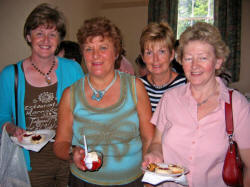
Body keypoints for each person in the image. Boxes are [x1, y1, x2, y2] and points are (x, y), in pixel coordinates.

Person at [142, 22, 250, 187]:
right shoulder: (170, 98)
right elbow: (156, 142)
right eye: (188, 58)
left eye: (203, 57)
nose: (194, 66)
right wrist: (155, 154)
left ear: (218, 61)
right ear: (181, 61)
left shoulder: (237, 105)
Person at [53, 16, 154, 186]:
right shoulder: (70, 94)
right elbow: (60, 143)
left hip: (132, 181)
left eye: (103, 47)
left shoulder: (135, 87)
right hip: (84, 181)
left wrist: (149, 177)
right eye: (89, 49)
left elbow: (149, 138)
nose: (95, 55)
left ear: (116, 52)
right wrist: (73, 153)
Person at [0, 3, 84, 186]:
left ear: (59, 38)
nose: (46, 40)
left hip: (70, 158)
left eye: (52, 34)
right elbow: (3, 116)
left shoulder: (73, 69)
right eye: (39, 33)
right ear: (28, 37)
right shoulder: (10, 75)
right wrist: (12, 129)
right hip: (32, 164)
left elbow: (85, 109)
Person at [139, 22, 186, 112]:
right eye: (149, 53)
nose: (155, 59)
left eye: (161, 52)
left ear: (172, 54)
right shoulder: (138, 86)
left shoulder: (185, 85)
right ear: (143, 57)